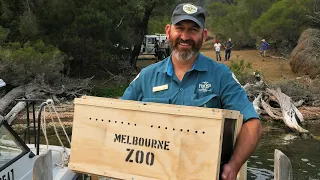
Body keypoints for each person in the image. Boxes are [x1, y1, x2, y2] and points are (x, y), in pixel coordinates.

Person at [122, 3, 263, 180]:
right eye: (179, 28)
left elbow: (253, 125)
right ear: (168, 31)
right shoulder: (146, 76)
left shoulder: (222, 76)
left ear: (203, 35)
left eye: (193, 30)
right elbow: (118, 120)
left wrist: (233, 165)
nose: (185, 36)